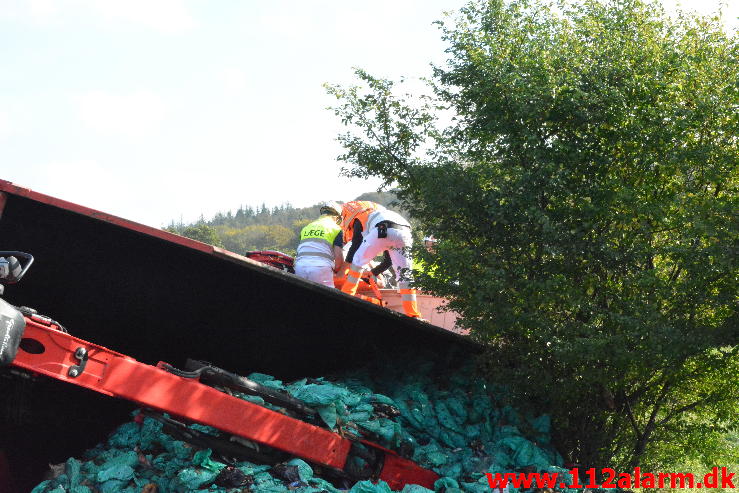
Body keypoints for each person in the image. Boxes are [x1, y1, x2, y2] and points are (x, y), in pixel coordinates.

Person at [340, 201, 422, 318]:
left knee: (357, 261)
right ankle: (413, 314)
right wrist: (373, 273)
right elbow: (388, 261)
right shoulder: (385, 213)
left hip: (383, 228)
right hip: (405, 234)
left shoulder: (361, 216)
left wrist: (344, 269)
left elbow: (356, 244)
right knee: (405, 275)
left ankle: (346, 296)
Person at [294, 202, 344, 288]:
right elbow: (339, 260)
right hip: (321, 267)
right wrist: (337, 271)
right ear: (336, 217)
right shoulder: (335, 229)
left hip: (300, 267)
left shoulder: (307, 227)